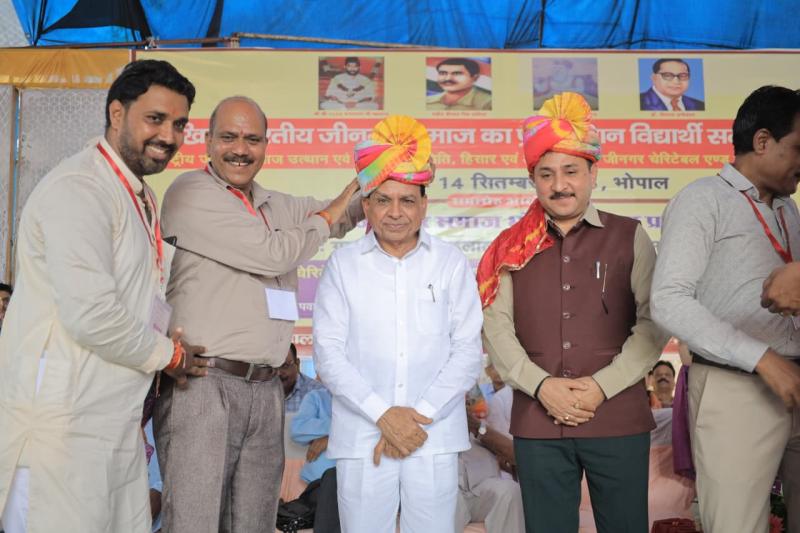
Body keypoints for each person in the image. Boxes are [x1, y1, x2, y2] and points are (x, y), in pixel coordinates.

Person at [0, 59, 205, 533]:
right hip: (64, 431)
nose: (169, 136)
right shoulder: (80, 188)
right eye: (155, 119)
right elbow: (91, 314)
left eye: (179, 124)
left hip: (114, 425)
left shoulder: (138, 194)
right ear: (117, 113)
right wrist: (170, 356)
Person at [153, 94, 363, 533]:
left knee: (254, 524)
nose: (240, 149)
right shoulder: (190, 192)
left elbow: (341, 215)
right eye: (228, 137)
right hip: (204, 385)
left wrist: (389, 171)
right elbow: (273, 254)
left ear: (267, 145)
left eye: (252, 139)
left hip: (267, 388)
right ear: (208, 142)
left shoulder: (274, 203)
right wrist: (330, 213)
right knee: (194, 524)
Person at [479, 92, 667, 533]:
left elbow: (653, 323)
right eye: (546, 174)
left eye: (571, 171)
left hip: (618, 416)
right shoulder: (510, 247)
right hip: (538, 422)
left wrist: (601, 387)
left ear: (592, 173)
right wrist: (541, 386)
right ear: (533, 179)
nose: (559, 185)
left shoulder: (630, 235)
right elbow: (496, 328)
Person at [313, 115, 483, 533]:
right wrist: (383, 415)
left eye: (407, 200)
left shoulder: (450, 263)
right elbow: (328, 355)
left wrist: (416, 417)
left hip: (433, 435)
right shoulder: (343, 265)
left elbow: (467, 351)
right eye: (383, 200)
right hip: (362, 435)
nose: (394, 212)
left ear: (424, 204)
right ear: (366, 205)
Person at [650, 85, 800, 533]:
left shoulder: (789, 210)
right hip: (737, 387)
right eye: (798, 148)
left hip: (794, 383)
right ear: (762, 141)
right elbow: (668, 300)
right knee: (737, 525)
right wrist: (762, 358)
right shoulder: (703, 199)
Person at [291, 384, 340, 533]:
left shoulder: (365, 399)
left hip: (357, 479)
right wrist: (340, 427)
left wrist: (331, 438)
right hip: (319, 484)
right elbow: (298, 429)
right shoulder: (316, 397)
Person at [640, 58, 705, 111]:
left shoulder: (700, 105)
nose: (676, 81)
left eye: (682, 75)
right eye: (668, 75)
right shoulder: (639, 103)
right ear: (654, 78)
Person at [426, 58, 491, 111]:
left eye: (457, 73)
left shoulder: (488, 104)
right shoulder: (427, 101)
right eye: (443, 73)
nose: (448, 78)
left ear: (475, 78)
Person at [282, 342, 324, 412]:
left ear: (297, 364)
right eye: (274, 367)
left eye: (285, 366)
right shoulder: (263, 391)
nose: (278, 373)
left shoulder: (317, 392)